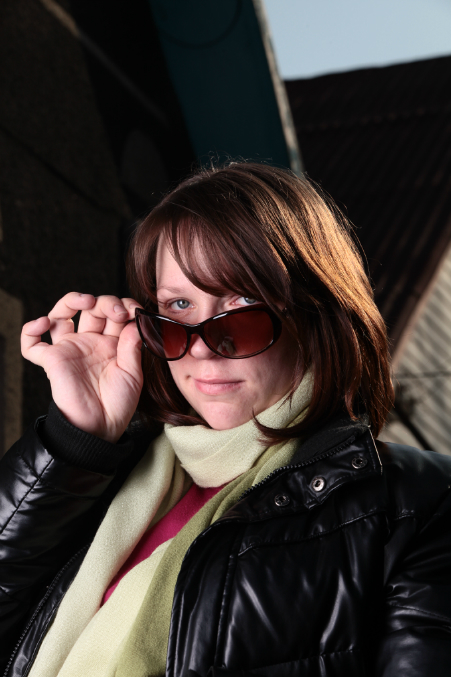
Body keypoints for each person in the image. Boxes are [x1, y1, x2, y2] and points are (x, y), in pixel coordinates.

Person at [1, 162, 451, 677]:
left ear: (317, 313)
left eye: (244, 302)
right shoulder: (109, 469)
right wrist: (77, 440)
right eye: (178, 304)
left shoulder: (422, 507)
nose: (203, 347)